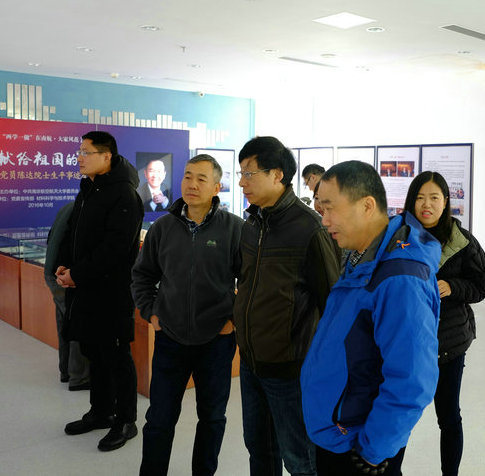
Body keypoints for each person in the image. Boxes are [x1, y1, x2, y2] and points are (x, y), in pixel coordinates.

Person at [301, 161, 441, 476]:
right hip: (339, 430)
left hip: (359, 445)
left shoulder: (399, 278)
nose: (324, 220)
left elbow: (412, 378)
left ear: (367, 206)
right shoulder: (362, 257)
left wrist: (374, 451)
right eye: (321, 209)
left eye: (330, 208)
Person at [233, 136, 340, 476]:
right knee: (259, 448)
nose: (242, 182)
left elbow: (333, 304)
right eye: (241, 173)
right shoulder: (252, 223)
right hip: (251, 362)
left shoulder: (310, 229)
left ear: (277, 174)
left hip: (291, 370)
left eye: (249, 173)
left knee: (300, 459)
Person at [132, 154, 242, 475]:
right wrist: (151, 312)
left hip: (217, 342)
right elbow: (142, 275)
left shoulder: (235, 229)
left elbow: (251, 282)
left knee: (212, 418)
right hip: (170, 339)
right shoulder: (163, 228)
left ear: (217, 187)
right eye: (187, 176)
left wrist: (232, 320)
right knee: (159, 419)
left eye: (201, 179)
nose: (192, 184)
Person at [56, 131, 143, 452]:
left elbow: (115, 248)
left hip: (111, 292)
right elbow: (72, 232)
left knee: (116, 356)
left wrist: (77, 274)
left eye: (86, 152)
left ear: (106, 156)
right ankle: (101, 411)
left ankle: (126, 420)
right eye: (79, 151)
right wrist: (64, 264)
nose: (79, 157)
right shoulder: (88, 188)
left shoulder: (124, 194)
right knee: (93, 351)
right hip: (84, 289)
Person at [404, 171, 485, 476]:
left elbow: (482, 284)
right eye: (419, 198)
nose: (426, 205)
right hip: (406, 342)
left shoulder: (462, 241)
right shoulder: (398, 236)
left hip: (448, 343)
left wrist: (453, 287)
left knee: (448, 416)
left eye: (434, 198)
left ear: (445, 202)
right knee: (398, 414)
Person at [44, 201, 90, 391]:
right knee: (78, 322)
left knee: (64, 322)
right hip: (65, 276)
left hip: (54, 273)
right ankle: (79, 377)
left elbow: (51, 239)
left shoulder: (69, 207)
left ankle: (66, 371)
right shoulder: (85, 210)